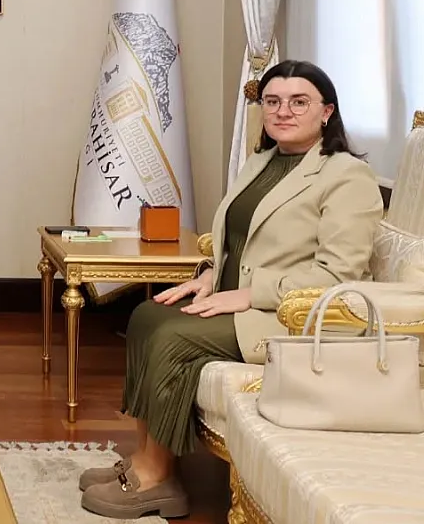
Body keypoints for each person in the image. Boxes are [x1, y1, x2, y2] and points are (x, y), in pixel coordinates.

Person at [79, 60, 383, 519]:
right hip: (242, 301)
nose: (283, 111)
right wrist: (209, 276)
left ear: (327, 112)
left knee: (172, 336)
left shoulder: (347, 176)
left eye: (299, 102)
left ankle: (157, 479)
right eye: (273, 101)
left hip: (294, 316)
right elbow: (238, 242)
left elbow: (338, 276)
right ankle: (145, 457)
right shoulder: (262, 162)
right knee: (147, 316)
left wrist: (250, 293)